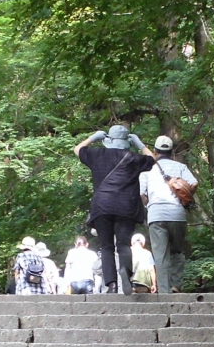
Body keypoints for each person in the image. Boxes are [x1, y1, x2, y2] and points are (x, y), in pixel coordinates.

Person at [75, 124, 155, 293]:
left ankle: (111, 285)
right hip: (126, 207)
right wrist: (139, 144)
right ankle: (125, 271)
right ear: (127, 141)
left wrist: (93, 138)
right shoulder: (133, 158)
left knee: (106, 247)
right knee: (124, 245)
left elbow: (78, 149)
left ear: (108, 140)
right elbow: (152, 159)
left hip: (102, 206)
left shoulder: (97, 154)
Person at [140, 135, 197, 294]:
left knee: (160, 255)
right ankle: (176, 285)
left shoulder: (147, 170)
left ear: (155, 151)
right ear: (172, 152)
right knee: (177, 251)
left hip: (156, 216)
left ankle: (164, 292)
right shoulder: (181, 167)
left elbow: (142, 194)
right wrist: (185, 197)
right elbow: (194, 183)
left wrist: (148, 204)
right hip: (177, 214)